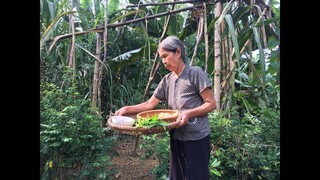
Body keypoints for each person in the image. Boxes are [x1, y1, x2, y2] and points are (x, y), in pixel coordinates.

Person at [114, 35, 216, 180]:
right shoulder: (167, 80)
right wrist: (127, 109)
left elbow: (211, 103)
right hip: (176, 136)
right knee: (177, 177)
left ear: (178, 53)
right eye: (162, 58)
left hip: (196, 137)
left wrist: (188, 113)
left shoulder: (195, 73)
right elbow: (150, 104)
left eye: (165, 56)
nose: (163, 61)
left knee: (197, 176)